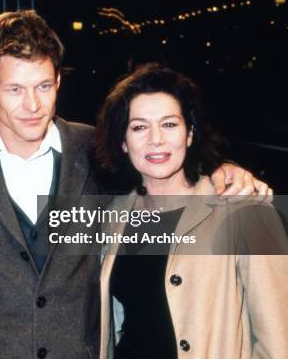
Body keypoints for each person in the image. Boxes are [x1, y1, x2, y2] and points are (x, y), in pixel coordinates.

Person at [0, 10, 270, 358]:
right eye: (15, 89)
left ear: (58, 80)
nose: (32, 105)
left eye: (43, 86)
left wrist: (226, 169)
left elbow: (160, 163)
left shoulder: (94, 149)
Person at [94, 63, 288, 358]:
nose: (155, 139)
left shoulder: (246, 211)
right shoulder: (114, 216)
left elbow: (279, 340)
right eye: (139, 127)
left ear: (189, 133)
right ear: (123, 142)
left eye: (169, 124)